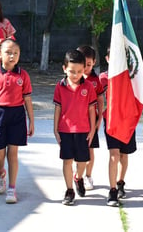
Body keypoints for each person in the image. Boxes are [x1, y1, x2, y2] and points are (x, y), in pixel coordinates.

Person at [0, 38, 34, 204]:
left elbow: (27, 99)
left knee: (13, 153)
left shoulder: (23, 75)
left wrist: (31, 121)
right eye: (8, 52)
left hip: (17, 115)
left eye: (16, 53)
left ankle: (12, 188)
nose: (12, 56)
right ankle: (0, 172)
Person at [53, 49, 97, 206]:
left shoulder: (89, 87)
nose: (76, 74)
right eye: (72, 71)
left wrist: (92, 130)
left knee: (83, 160)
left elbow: (92, 109)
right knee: (67, 161)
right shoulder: (60, 86)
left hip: (83, 130)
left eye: (79, 71)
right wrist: (55, 129)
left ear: (84, 69)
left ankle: (78, 178)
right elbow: (57, 108)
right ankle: (69, 190)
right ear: (64, 68)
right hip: (65, 130)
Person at [99, 47, 137, 207]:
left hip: (128, 121)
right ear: (107, 58)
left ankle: (121, 182)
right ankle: (113, 189)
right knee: (114, 154)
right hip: (111, 121)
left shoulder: (132, 77)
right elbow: (98, 100)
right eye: (113, 56)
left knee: (124, 155)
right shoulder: (103, 78)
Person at [76, 45, 105, 190]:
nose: (86, 68)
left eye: (89, 64)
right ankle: (77, 175)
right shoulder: (73, 77)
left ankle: (88, 176)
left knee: (90, 150)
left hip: (90, 121)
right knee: (75, 149)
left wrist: (99, 120)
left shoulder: (95, 80)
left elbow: (100, 101)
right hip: (75, 122)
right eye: (83, 64)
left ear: (94, 62)